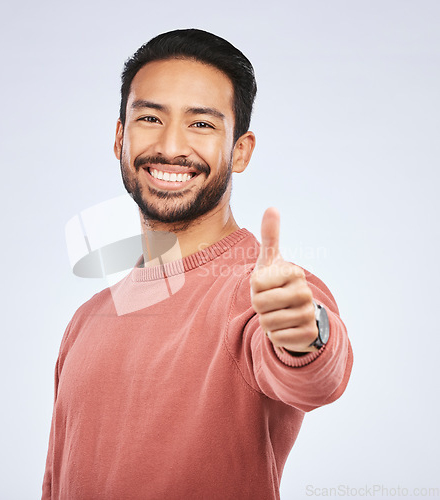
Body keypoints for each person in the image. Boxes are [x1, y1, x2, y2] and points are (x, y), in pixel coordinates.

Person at [42, 28, 353, 499]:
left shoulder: (260, 293)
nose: (171, 146)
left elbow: (314, 377)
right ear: (119, 138)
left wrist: (308, 335)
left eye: (202, 124)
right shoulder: (83, 322)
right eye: (150, 118)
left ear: (241, 150)